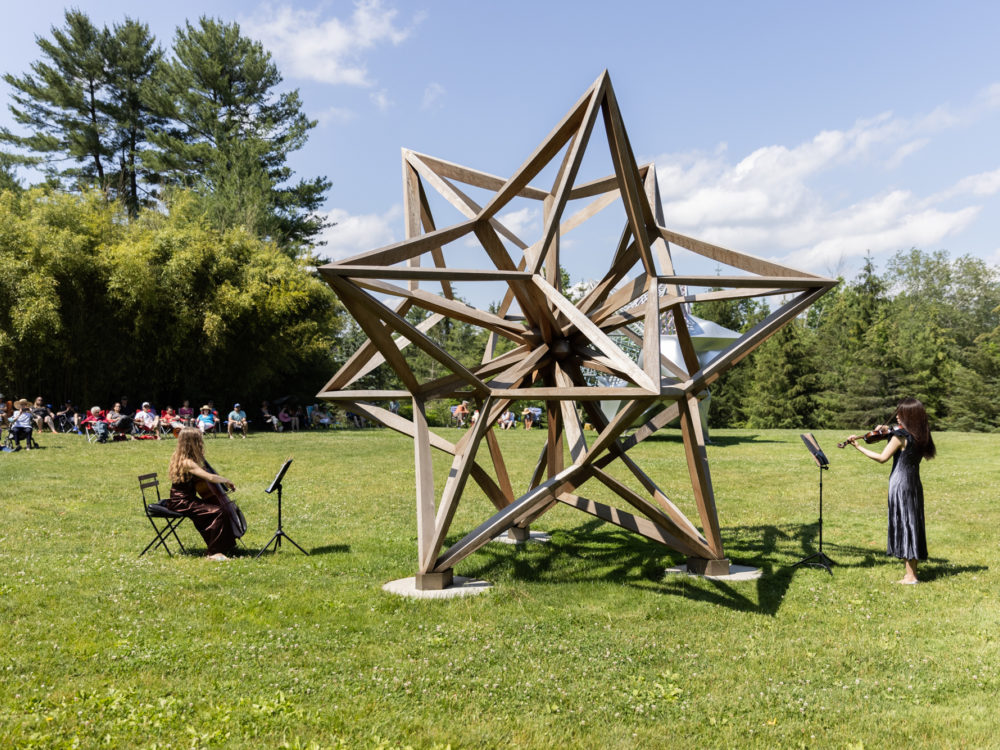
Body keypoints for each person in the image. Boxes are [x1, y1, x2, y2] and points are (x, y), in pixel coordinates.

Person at [845, 397, 936, 584]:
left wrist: (858, 446)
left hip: (899, 484)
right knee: (912, 524)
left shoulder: (900, 436)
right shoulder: (920, 434)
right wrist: (887, 430)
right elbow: (897, 432)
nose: (897, 416)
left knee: (905, 524)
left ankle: (911, 577)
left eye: (901, 413)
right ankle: (911, 573)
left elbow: (882, 457)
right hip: (913, 483)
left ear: (909, 416)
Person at [165, 427, 237, 560]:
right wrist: (226, 480)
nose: (201, 443)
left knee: (216, 511)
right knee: (218, 512)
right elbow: (209, 477)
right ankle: (214, 552)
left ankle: (224, 546)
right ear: (191, 442)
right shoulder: (187, 462)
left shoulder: (186, 457)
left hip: (187, 499)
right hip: (182, 502)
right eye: (199, 440)